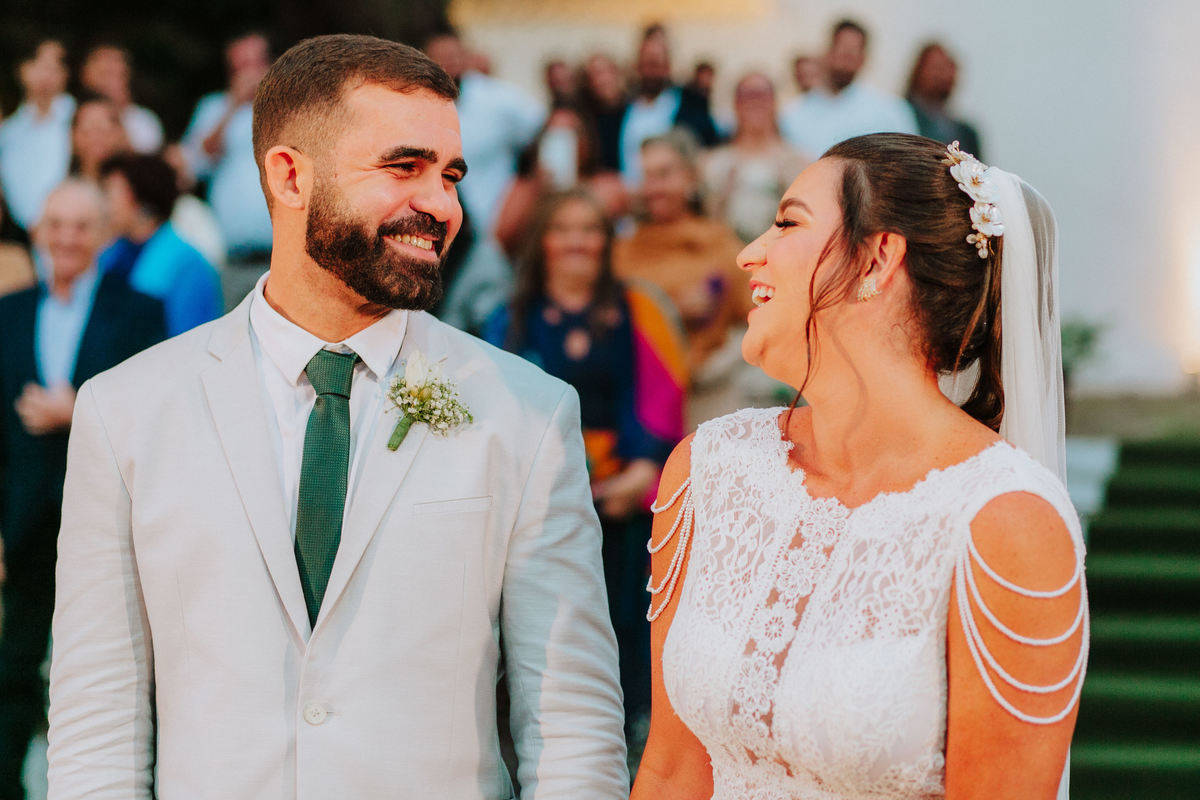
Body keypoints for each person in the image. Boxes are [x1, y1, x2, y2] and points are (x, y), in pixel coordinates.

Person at [46, 34, 627, 799]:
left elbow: (573, 730)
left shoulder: (527, 412)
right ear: (289, 175)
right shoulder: (127, 410)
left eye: (450, 175)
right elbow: (96, 726)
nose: (443, 206)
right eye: (404, 167)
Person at [631, 133, 1088, 799]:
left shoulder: (1006, 522)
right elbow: (672, 769)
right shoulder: (706, 471)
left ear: (877, 258)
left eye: (788, 222)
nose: (748, 253)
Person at [485, 189, 687, 743]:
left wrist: (644, 468)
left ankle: (628, 731)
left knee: (625, 614)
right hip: (538, 494)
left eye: (590, 228)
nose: (577, 241)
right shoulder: (509, 318)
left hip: (621, 491)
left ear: (606, 240)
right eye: (563, 228)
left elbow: (661, 389)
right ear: (542, 240)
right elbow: (494, 403)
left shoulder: (637, 308)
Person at [0, 179, 164, 800]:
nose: (66, 238)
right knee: (14, 665)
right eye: (55, 225)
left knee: (116, 665)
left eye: (79, 226)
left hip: (111, 517)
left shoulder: (140, 310)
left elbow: (157, 415)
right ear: (39, 232)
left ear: (102, 235)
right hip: (28, 519)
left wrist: (81, 411)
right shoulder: (9, 311)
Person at [613, 131, 765, 427]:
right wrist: (671, 310)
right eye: (646, 176)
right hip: (637, 405)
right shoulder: (622, 252)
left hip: (706, 401)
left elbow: (759, 313)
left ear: (691, 178)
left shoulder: (720, 245)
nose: (653, 187)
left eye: (665, 174)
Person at [182, 31, 275, 309]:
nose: (248, 73)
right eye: (240, 66)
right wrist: (233, 104)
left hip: (282, 256)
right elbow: (197, 163)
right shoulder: (213, 107)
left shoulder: (286, 110)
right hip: (230, 260)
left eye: (254, 64)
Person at [423, 28, 545, 237]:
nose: (448, 64)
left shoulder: (498, 98)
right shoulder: (417, 104)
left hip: (490, 231)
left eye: (453, 56)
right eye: (441, 58)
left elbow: (546, 126)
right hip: (436, 228)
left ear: (464, 56)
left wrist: (526, 186)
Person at [99, 153, 223, 336]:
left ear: (138, 199)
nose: (105, 207)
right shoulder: (111, 255)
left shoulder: (188, 264)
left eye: (111, 195)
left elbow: (188, 338)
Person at [780, 19, 918, 157]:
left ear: (863, 59)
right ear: (827, 52)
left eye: (851, 53)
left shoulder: (891, 111)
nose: (844, 61)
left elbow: (911, 162)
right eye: (841, 50)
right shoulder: (793, 115)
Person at [703, 72, 811, 243]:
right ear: (735, 103)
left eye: (762, 95)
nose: (754, 102)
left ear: (774, 102)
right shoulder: (714, 164)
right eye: (747, 95)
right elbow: (706, 221)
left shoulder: (799, 161)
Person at [618, 26, 720, 186]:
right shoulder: (622, 109)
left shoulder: (691, 105)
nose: (651, 72)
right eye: (646, 64)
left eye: (656, 64)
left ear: (668, 66)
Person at [0, 39, 75, 234]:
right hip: (21, 233)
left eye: (54, 68)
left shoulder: (79, 119)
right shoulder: (9, 132)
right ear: (22, 70)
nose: (46, 76)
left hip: (72, 227)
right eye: (39, 66)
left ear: (65, 74)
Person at [79, 44, 164, 154]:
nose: (111, 83)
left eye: (119, 75)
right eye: (104, 73)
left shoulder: (144, 120)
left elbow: (147, 161)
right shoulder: (65, 112)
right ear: (85, 75)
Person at [906, 42, 983, 158]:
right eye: (937, 68)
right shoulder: (902, 115)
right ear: (919, 70)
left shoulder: (966, 132)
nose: (943, 75)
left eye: (949, 68)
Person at [67, 94, 131, 181]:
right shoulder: (65, 189)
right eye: (87, 132)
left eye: (103, 131)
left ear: (120, 133)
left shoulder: (139, 184)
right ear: (73, 136)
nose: (96, 138)